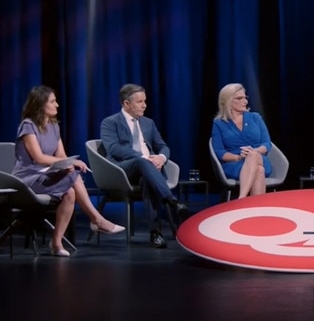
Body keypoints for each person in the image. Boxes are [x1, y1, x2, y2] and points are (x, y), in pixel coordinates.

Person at [12, 86, 125, 257]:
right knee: (73, 175)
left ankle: (56, 243)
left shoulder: (54, 126)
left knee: (70, 193)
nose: (57, 105)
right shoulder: (28, 125)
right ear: (41, 104)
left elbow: (61, 155)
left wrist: (67, 164)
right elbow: (39, 158)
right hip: (27, 179)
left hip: (45, 175)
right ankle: (97, 220)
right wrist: (70, 164)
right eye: (52, 101)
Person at [100, 83, 187, 249]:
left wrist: (161, 157)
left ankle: (156, 233)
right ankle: (171, 201)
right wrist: (144, 157)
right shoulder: (110, 122)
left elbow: (163, 146)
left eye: (144, 101)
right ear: (127, 104)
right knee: (142, 162)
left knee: (147, 181)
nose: (145, 105)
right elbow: (114, 149)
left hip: (149, 170)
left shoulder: (148, 123)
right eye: (140, 102)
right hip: (123, 169)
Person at [211, 83, 272, 199]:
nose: (245, 101)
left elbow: (267, 143)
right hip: (235, 164)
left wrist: (255, 151)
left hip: (260, 158)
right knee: (259, 170)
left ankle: (241, 199)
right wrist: (239, 157)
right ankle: (255, 211)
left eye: (245, 97)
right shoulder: (219, 123)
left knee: (253, 155)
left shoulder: (255, 117)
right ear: (227, 101)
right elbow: (219, 152)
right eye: (240, 98)